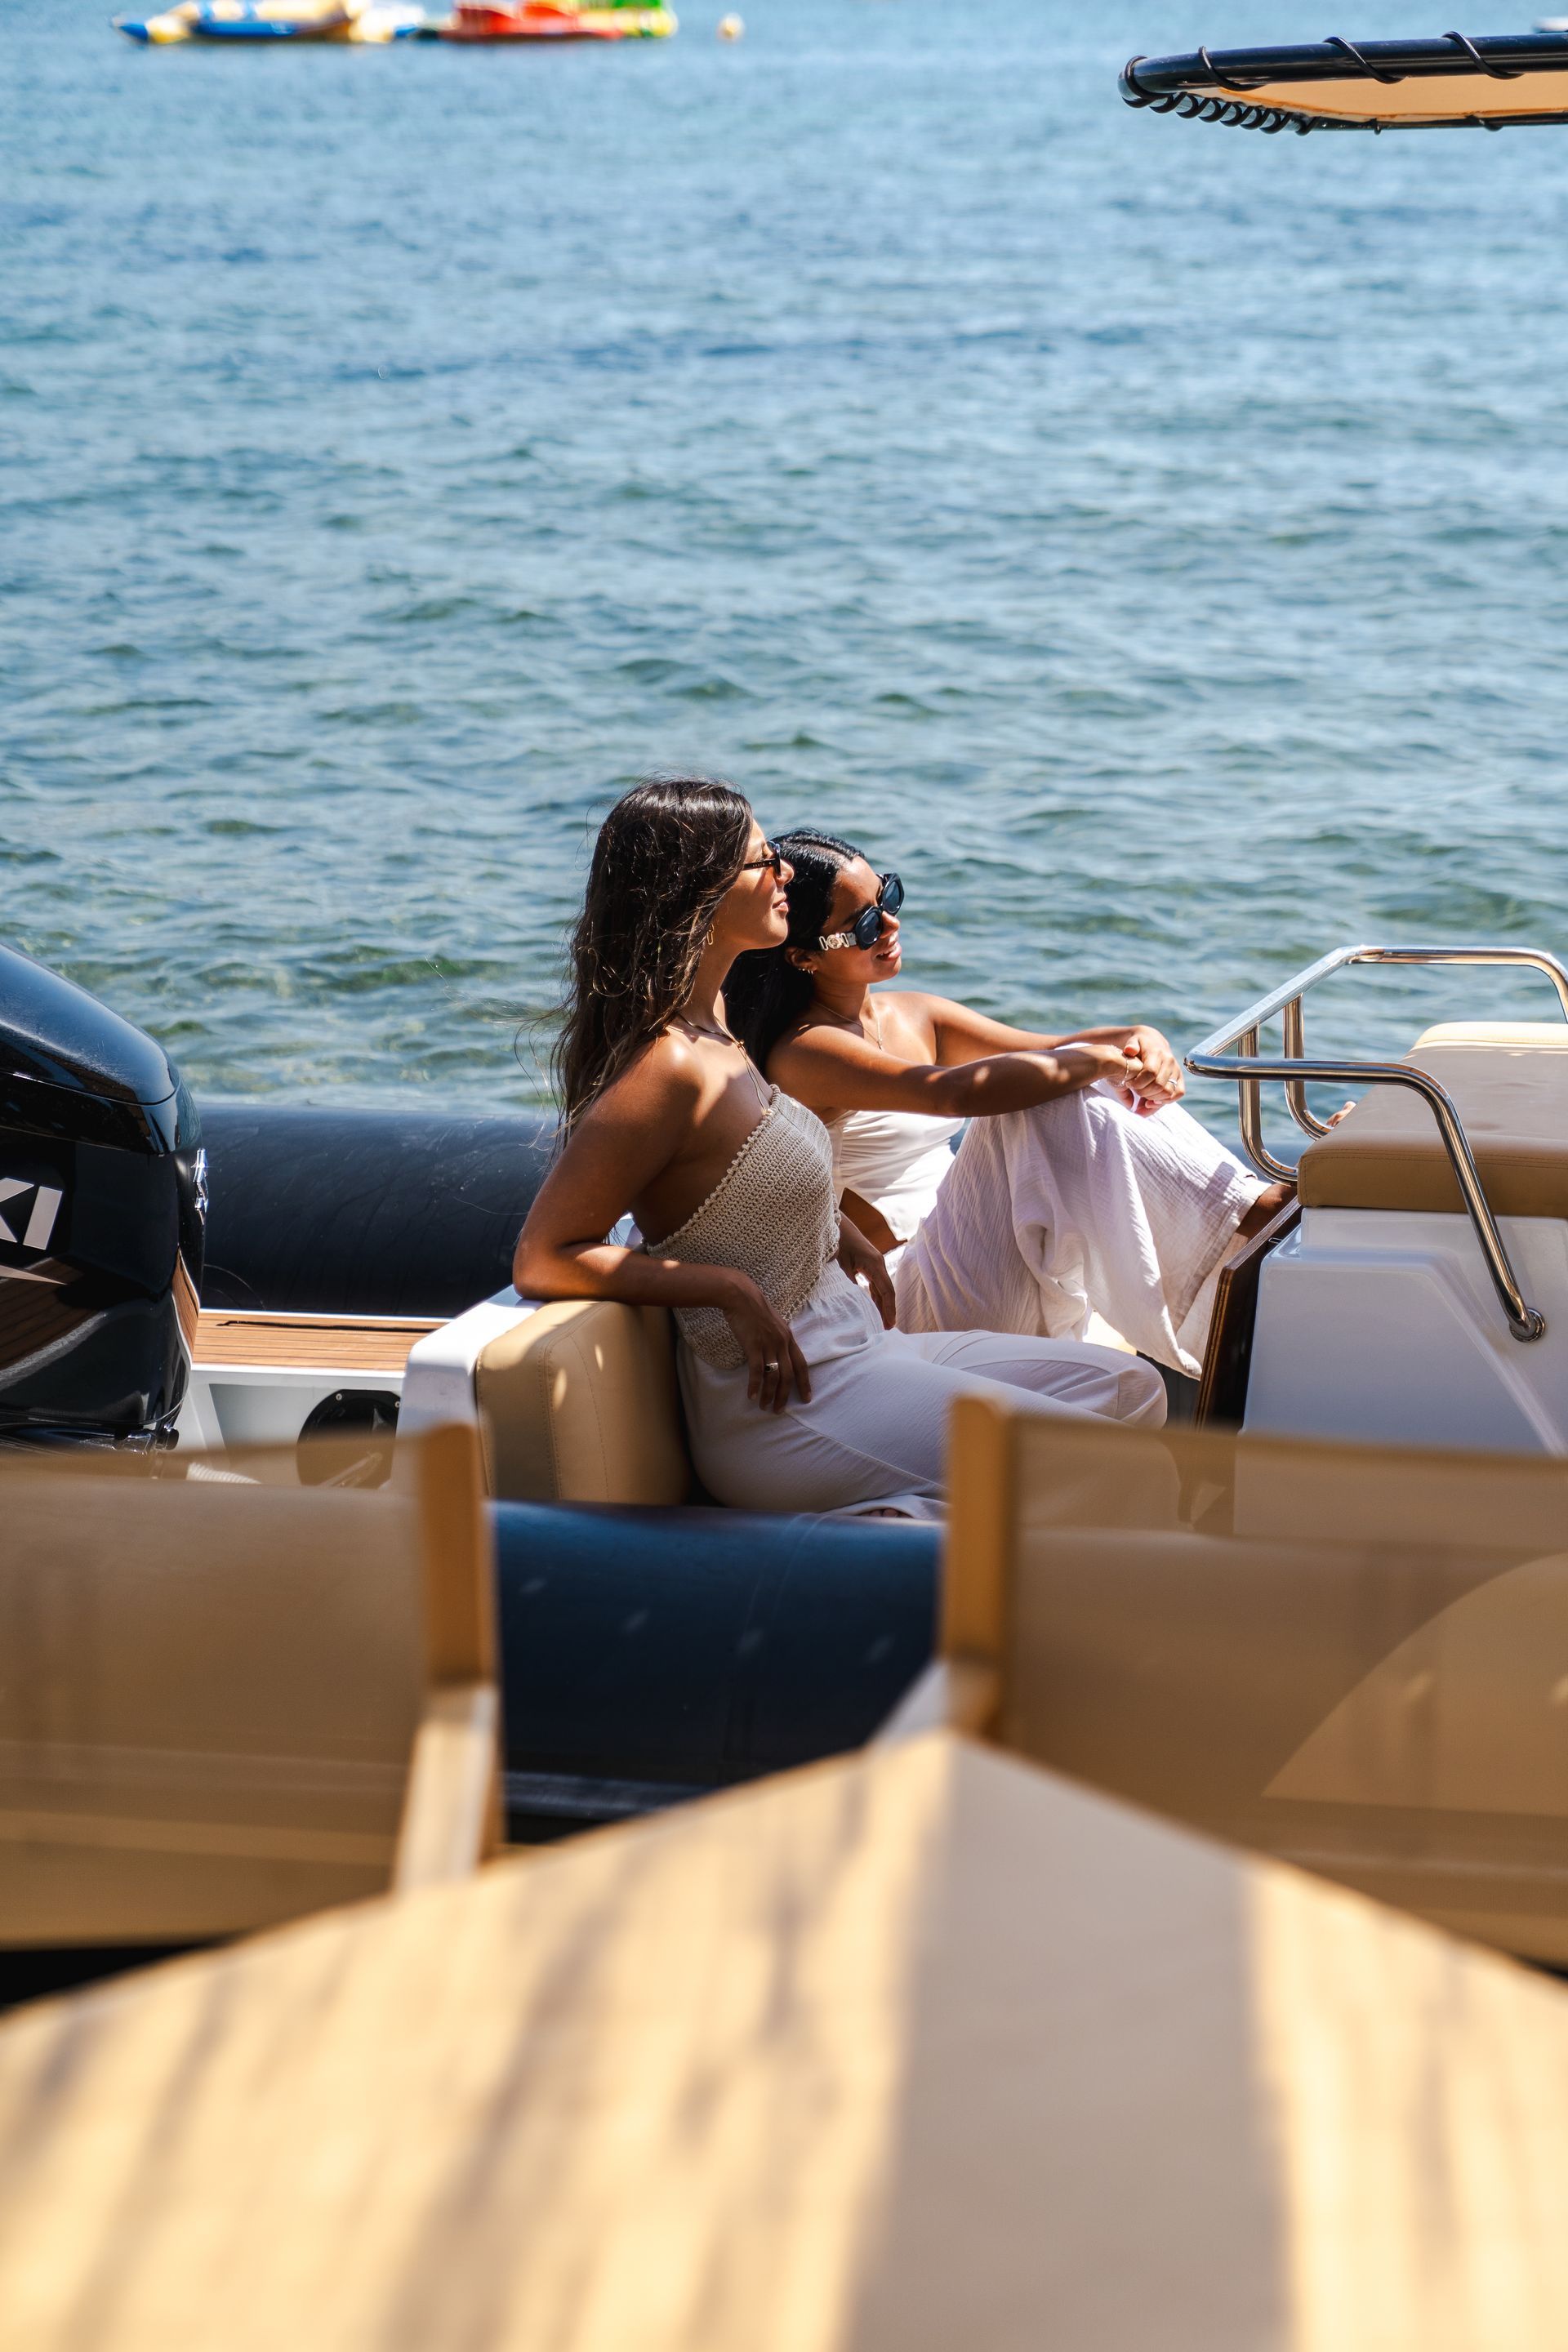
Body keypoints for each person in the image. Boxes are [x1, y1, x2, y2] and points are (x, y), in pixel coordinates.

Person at [514, 777, 1165, 1521]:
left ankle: (905, 1525)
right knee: (1124, 1465)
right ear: (697, 893)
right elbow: (546, 1253)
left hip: (857, 1343)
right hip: (789, 1401)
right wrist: (724, 1289)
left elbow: (741, 1176)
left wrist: (837, 1231)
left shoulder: (717, 1024)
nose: (785, 871)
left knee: (1128, 1392)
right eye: (763, 862)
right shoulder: (663, 1069)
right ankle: (883, 1547)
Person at [723, 828, 1290, 1378]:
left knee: (1058, 1084)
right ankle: (1260, 1212)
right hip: (902, 1300)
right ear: (804, 958)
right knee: (1039, 1100)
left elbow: (1052, 1049)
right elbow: (952, 1093)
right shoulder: (807, 1050)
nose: (891, 924)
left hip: (982, 1253)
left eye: (889, 896)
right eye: (865, 924)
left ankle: (1252, 1214)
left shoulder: (912, 1014)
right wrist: (1098, 1061)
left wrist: (1138, 1040)